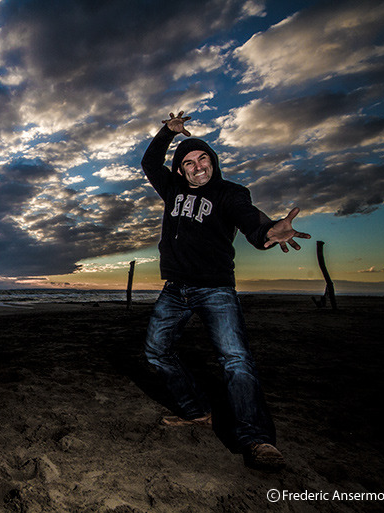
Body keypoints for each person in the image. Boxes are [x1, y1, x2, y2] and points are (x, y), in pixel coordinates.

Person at [140, 111, 310, 471]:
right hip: (176, 288)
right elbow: (150, 162)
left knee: (236, 360)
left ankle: (258, 440)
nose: (197, 167)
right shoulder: (172, 189)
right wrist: (167, 132)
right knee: (157, 350)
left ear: (212, 161)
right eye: (188, 163)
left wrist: (267, 232)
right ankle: (196, 411)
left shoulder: (230, 193)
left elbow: (249, 219)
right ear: (180, 170)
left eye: (202, 158)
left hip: (215, 288)